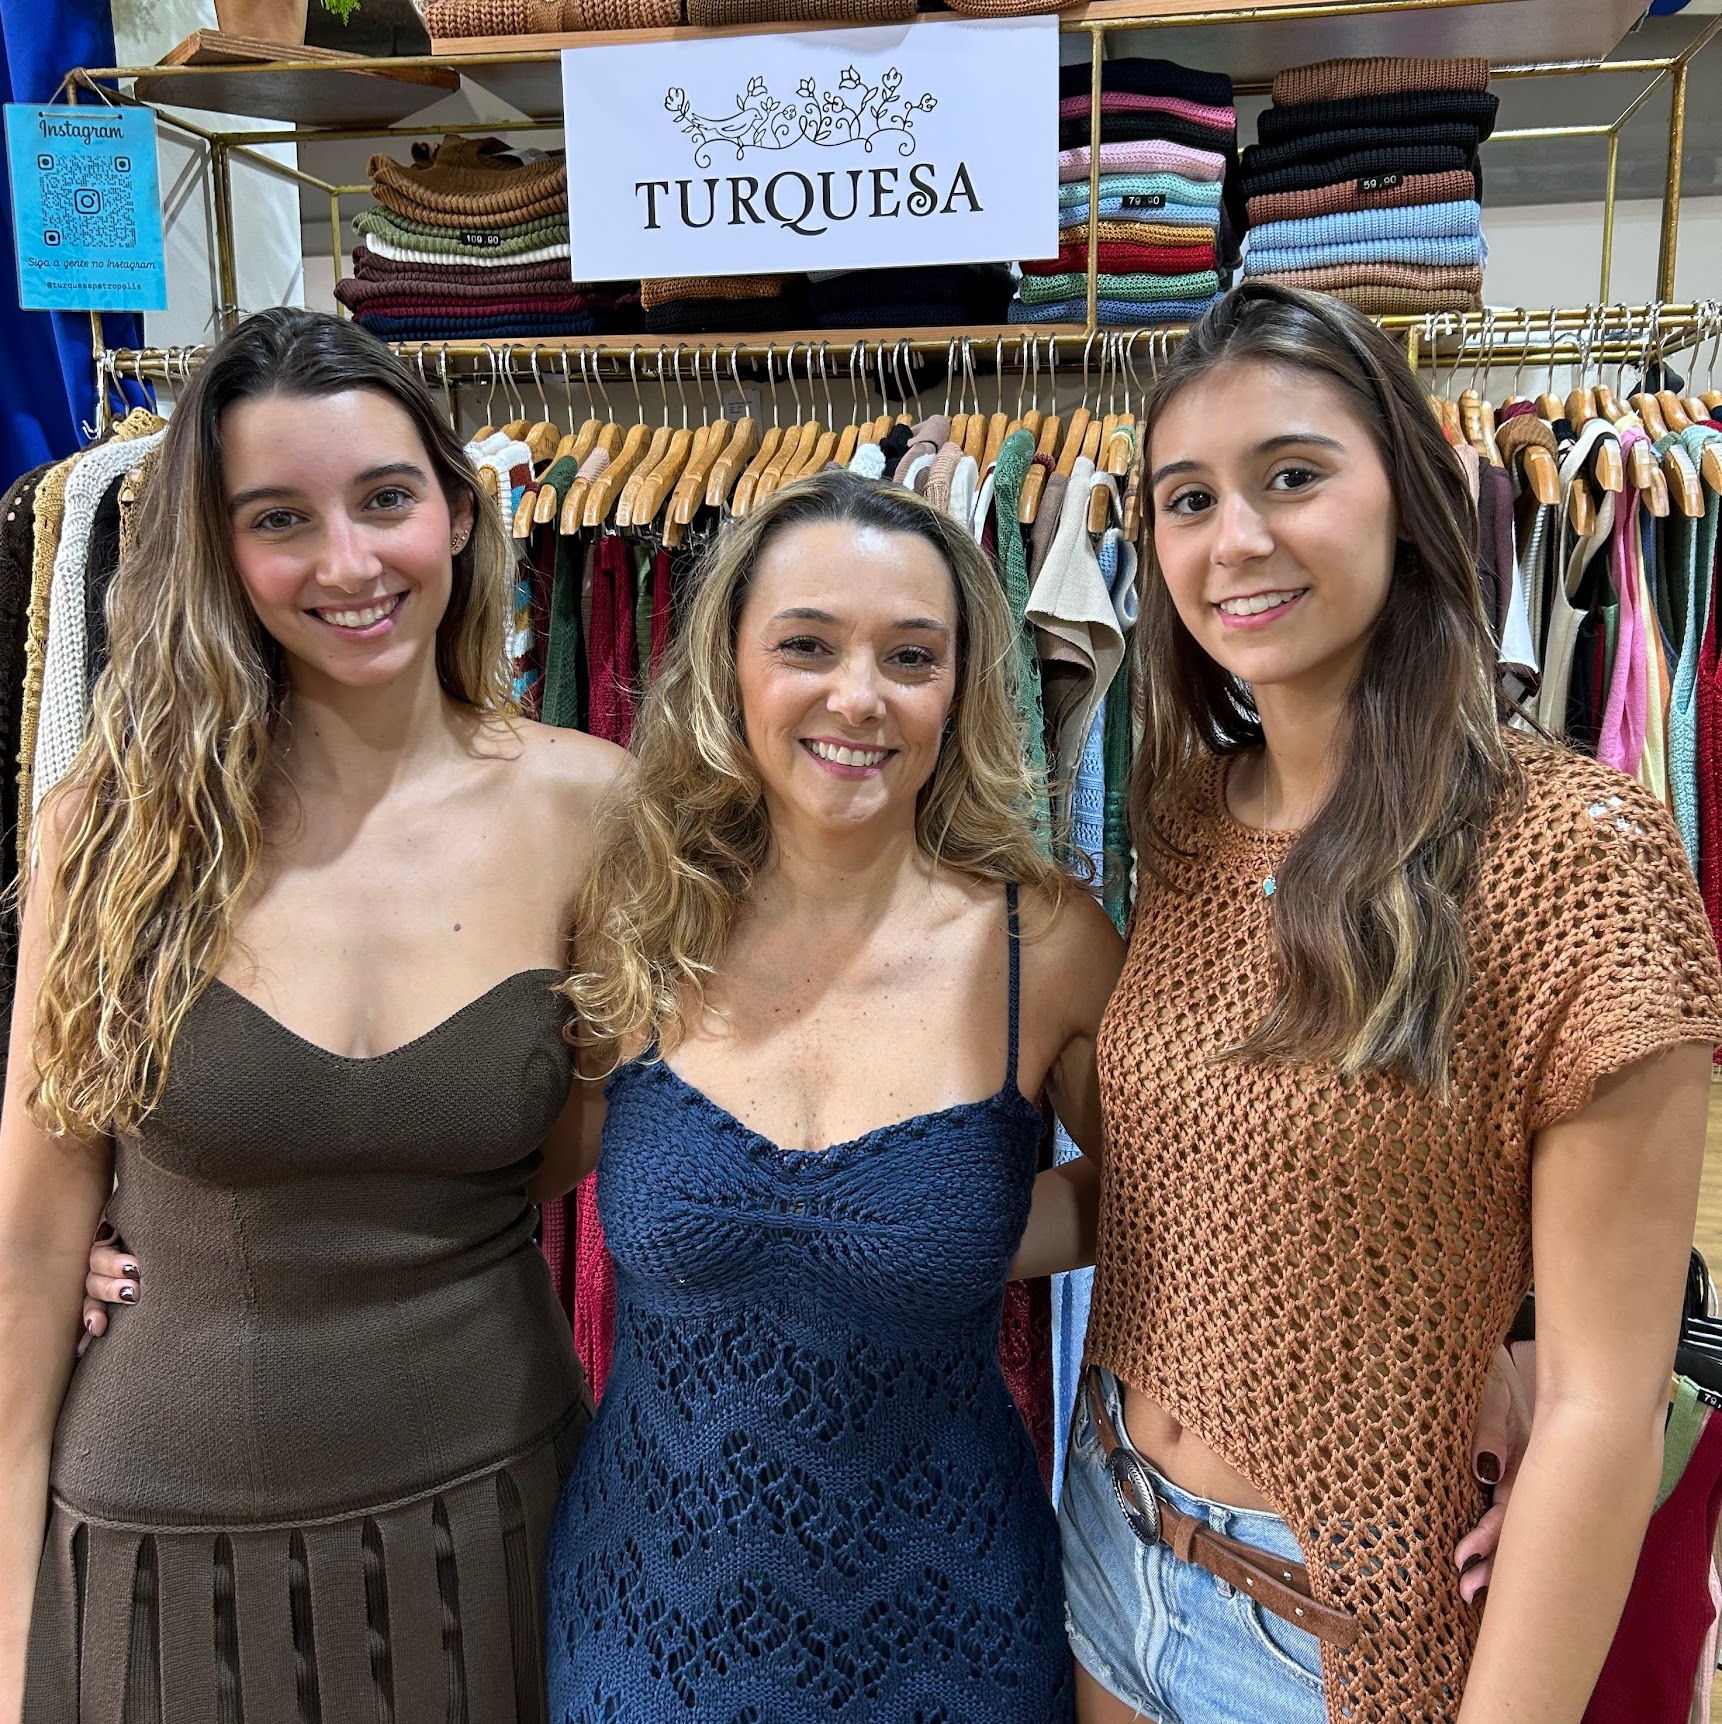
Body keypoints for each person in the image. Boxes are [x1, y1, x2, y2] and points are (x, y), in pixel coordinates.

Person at [1061, 282, 1722, 1724]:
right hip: (1108, 1532)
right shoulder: (1185, 818)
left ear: (1408, 500)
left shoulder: (1572, 855)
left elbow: (1605, 1407)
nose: (1235, 538)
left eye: (1292, 475)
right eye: (1187, 499)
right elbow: (1200, 1187)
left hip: (1332, 1625)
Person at [0, 307, 623, 1723]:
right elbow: (34, 1236)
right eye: (280, 518)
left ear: (459, 512)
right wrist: (8, 1621)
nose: (348, 563)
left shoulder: (593, 806)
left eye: (386, 499)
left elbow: (592, 1144)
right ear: (217, 553)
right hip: (159, 1556)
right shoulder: (112, 827)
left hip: (499, 1522)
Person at [537, 470, 1122, 1722]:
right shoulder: (638, 918)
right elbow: (487, 1173)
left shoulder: (1046, 943)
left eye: (911, 656)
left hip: (958, 1634)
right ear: (731, 666)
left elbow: (1174, 1200)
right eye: (807, 644)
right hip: (645, 1625)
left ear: (959, 687)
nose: (859, 696)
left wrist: (949, 1227)